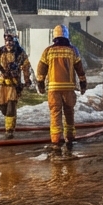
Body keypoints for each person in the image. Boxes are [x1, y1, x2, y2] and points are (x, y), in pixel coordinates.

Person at [36, 24, 87, 154]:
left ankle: (56, 140)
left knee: (55, 114)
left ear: (55, 36)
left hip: (53, 88)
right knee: (69, 113)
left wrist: (40, 83)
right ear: (67, 35)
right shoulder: (73, 50)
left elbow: (41, 68)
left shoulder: (48, 51)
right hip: (69, 88)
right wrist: (83, 82)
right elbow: (80, 69)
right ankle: (69, 138)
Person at [0, 30, 33, 139]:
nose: (8, 43)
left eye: (11, 40)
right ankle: (9, 119)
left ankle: (9, 130)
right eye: (6, 40)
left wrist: (26, 80)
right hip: (2, 84)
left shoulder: (20, 53)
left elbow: (26, 67)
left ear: (15, 40)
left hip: (14, 85)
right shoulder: (0, 51)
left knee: (11, 106)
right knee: (2, 106)